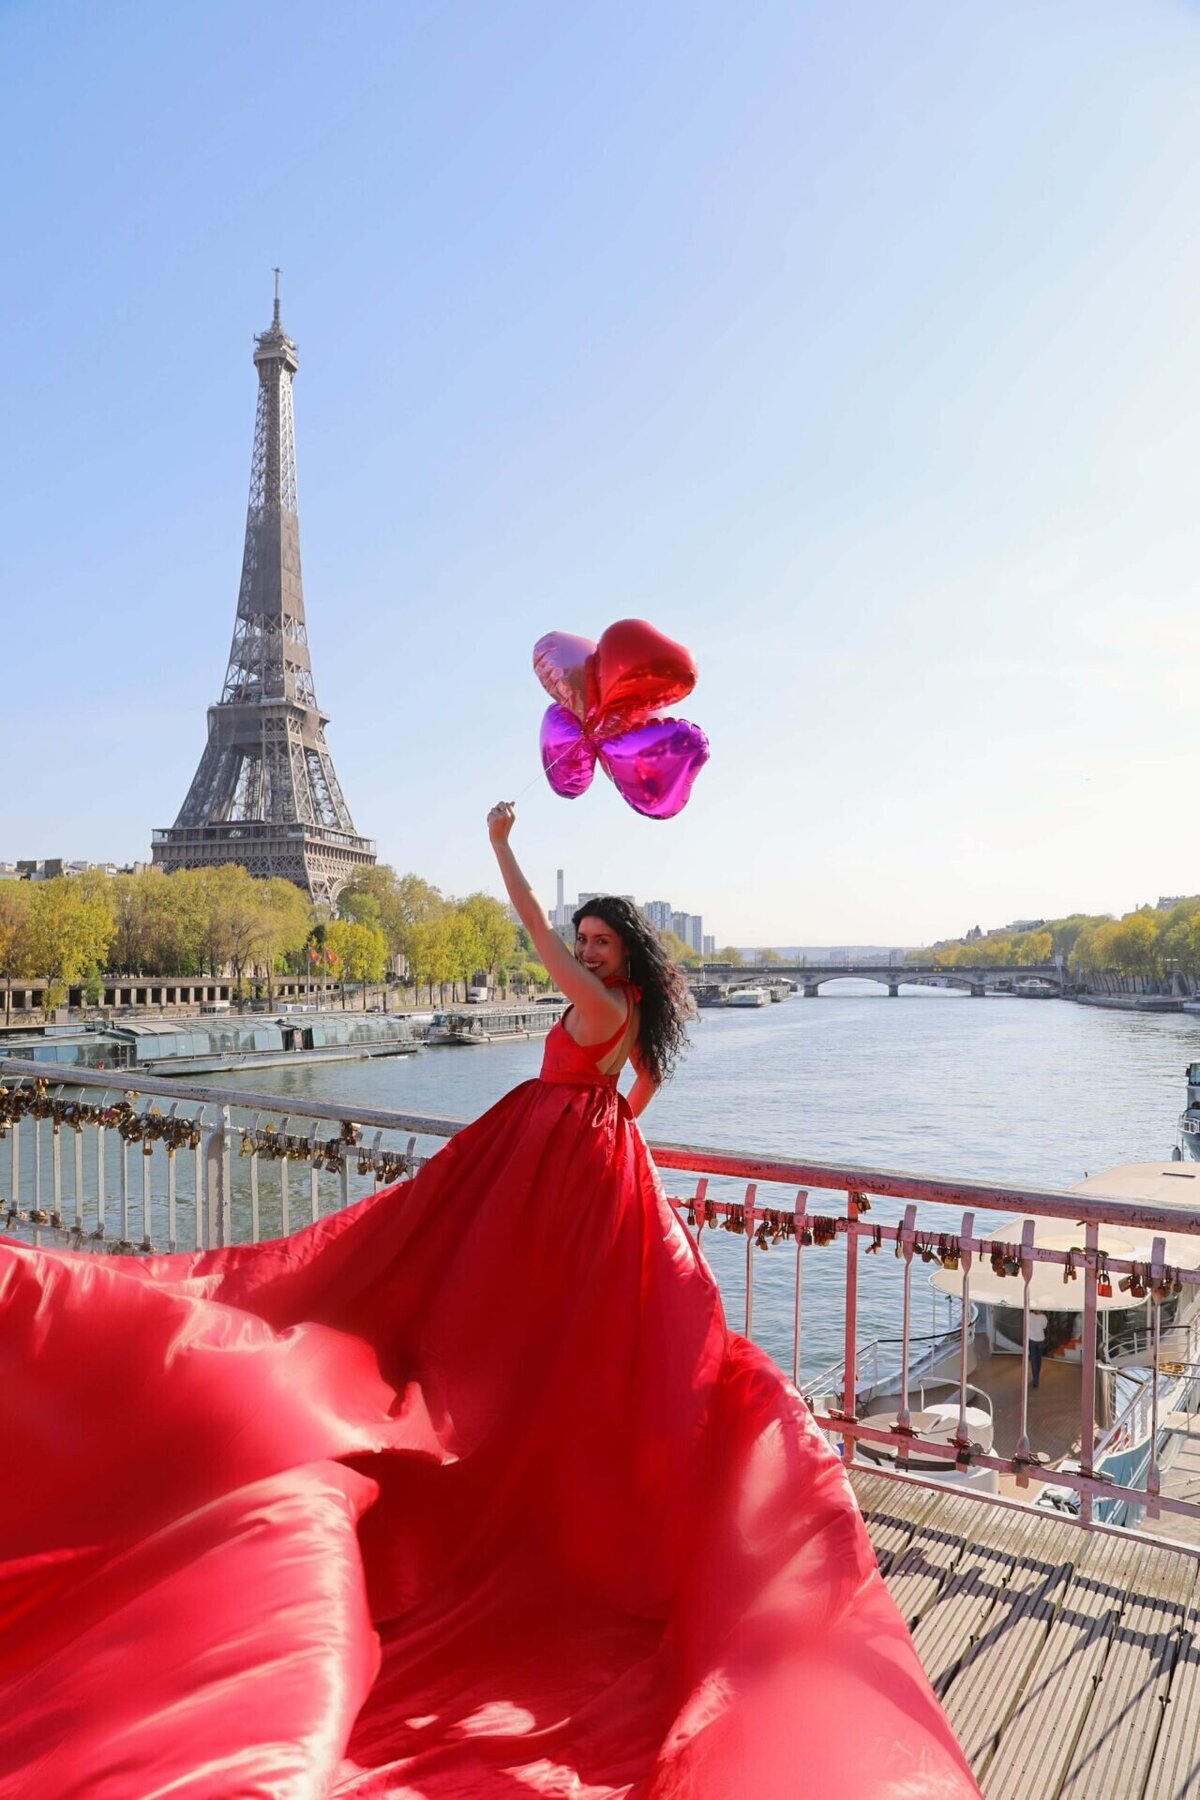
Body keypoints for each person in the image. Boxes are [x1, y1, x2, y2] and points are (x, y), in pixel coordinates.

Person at [0, 805, 981, 1799]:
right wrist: (602, 1122)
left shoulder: (589, 1001)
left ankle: (463, 1449)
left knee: (461, 1296)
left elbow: (530, 931)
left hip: (547, 1164)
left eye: (598, 941)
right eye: (584, 940)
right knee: (569, 1335)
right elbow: (633, 1092)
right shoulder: (626, 1013)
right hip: (586, 1162)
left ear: (620, 950)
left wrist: (504, 850)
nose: (584, 950)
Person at [1028, 1308, 1049, 1387]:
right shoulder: (1043, 1317)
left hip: (1032, 1340)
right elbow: (1044, 1326)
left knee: (1033, 1359)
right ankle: (1036, 1377)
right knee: (1039, 1359)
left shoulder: (1029, 1315)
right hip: (1040, 1340)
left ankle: (1035, 1378)